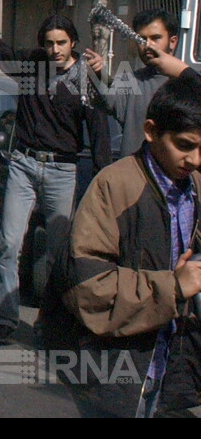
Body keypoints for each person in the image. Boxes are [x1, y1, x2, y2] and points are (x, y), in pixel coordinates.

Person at [0, 0, 111, 345]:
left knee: (60, 254)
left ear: (73, 43)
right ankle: (6, 318)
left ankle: (51, 320)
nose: (55, 49)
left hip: (63, 171)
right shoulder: (32, 66)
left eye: (61, 43)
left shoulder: (86, 80)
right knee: (10, 243)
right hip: (24, 164)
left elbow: (100, 133)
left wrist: (104, 182)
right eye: (49, 43)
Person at [49, 76, 201, 417]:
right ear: (150, 130)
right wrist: (173, 287)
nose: (195, 160)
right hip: (116, 369)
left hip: (170, 367)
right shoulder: (114, 186)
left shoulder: (194, 187)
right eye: (185, 145)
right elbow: (88, 287)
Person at [87, 8, 180, 159]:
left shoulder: (187, 83)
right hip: (135, 175)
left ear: (172, 42)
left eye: (155, 38)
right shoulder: (131, 81)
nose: (147, 45)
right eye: (141, 39)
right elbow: (107, 103)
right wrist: (97, 73)